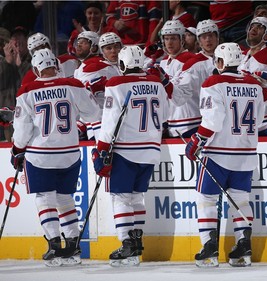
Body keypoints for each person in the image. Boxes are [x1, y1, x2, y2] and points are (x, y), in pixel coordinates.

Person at [10, 48, 101, 267]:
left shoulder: (27, 90)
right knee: (65, 197)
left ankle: (53, 243)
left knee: (45, 198)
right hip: (69, 153)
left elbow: (22, 130)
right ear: (57, 65)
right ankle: (72, 243)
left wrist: (16, 149)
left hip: (40, 155)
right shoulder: (73, 85)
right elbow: (94, 114)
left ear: (35, 69)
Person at [185, 42, 267, 267]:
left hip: (218, 154)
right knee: (241, 200)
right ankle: (244, 247)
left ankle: (209, 247)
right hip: (246, 152)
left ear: (221, 62)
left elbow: (212, 119)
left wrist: (198, 139)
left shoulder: (214, 82)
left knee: (206, 199)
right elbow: (260, 120)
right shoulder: (254, 84)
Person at [91, 45, 169, 267]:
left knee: (121, 197)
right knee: (137, 197)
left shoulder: (116, 83)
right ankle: (136, 242)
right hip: (151, 150)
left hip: (126, 150)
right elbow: (166, 114)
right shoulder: (155, 82)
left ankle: (127, 243)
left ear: (123, 65)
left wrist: (101, 149)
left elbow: (109, 121)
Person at [78, 32, 123, 140]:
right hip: (101, 121)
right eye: (109, 48)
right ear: (102, 51)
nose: (113, 51)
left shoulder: (127, 64)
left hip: (122, 119)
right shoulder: (95, 67)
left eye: (116, 47)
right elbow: (79, 91)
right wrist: (89, 87)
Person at [157, 20, 195, 138]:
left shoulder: (190, 60)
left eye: (173, 38)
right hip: (171, 123)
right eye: (166, 39)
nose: (169, 43)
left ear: (182, 40)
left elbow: (179, 92)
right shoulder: (163, 62)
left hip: (189, 123)